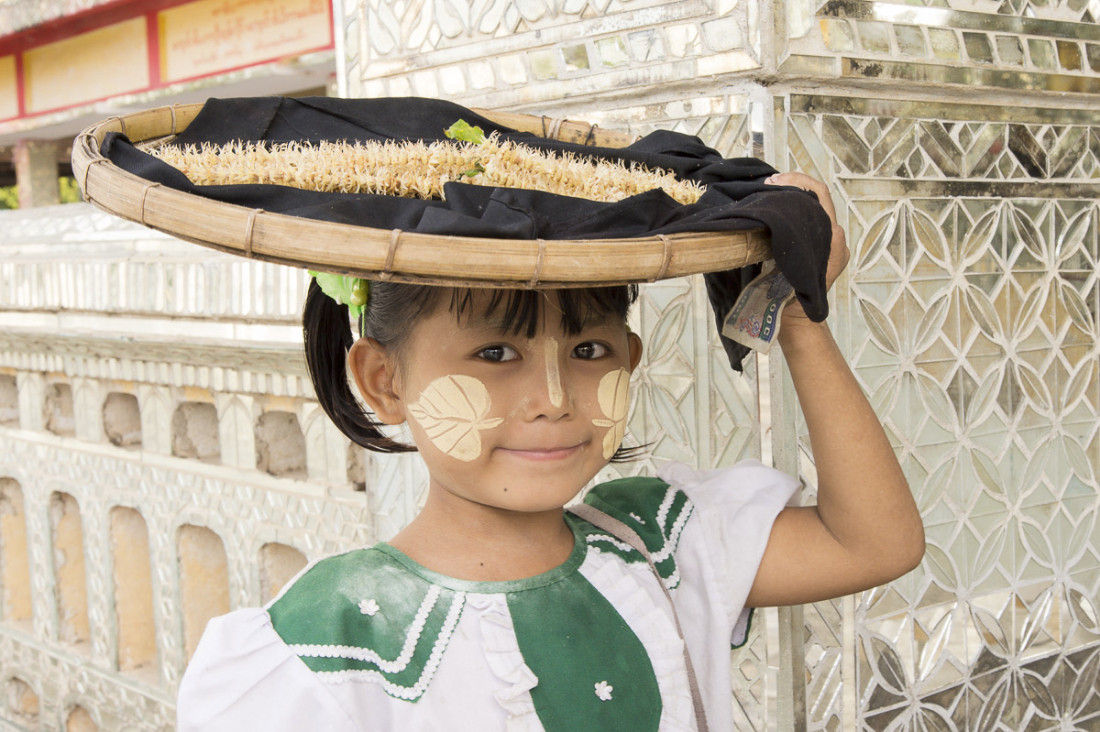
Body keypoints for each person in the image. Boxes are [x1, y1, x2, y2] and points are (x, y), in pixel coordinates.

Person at [176, 172, 925, 731]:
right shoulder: (328, 643)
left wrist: (799, 321)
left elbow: (872, 543)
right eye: (496, 351)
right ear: (384, 380)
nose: (555, 396)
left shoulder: (656, 546)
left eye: (590, 348)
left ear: (631, 357)